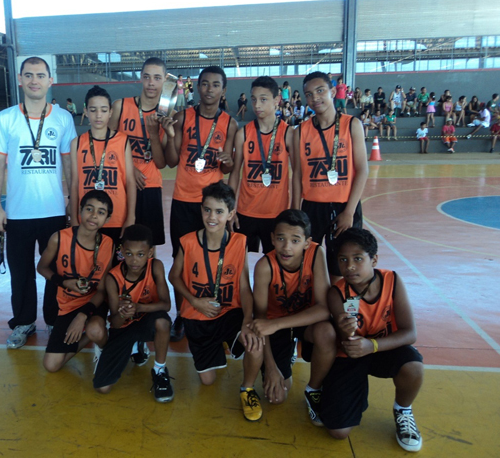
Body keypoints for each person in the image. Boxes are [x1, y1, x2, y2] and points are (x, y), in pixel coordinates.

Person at [0, 56, 75, 348]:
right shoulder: (5, 118)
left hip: (53, 212)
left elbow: (70, 166)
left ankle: (53, 320)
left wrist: (73, 203)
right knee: (21, 271)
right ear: (20, 79)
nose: (34, 80)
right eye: (29, 75)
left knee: (56, 271)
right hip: (18, 213)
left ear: (51, 80)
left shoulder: (63, 119)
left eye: (40, 75)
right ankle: (24, 322)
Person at [320, 228, 424, 453]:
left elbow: (409, 333)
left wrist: (373, 345)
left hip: (381, 348)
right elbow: (346, 341)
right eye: (343, 260)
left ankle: (403, 410)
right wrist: (346, 330)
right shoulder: (336, 293)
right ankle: (353, 395)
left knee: (413, 365)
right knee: (338, 432)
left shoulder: (392, 280)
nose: (349, 266)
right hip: (351, 353)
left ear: (374, 259)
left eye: (358, 259)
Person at [168, 181, 264, 421]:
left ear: (230, 214)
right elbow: (174, 275)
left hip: (230, 312)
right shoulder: (187, 241)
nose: (212, 217)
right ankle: (219, 344)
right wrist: (193, 301)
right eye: (207, 210)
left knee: (255, 339)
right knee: (208, 381)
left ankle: (247, 388)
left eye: (219, 212)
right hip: (197, 315)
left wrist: (248, 320)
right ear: (201, 210)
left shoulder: (239, 242)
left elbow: (243, 285)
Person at [165, 65, 237, 340]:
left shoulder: (229, 123)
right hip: (184, 201)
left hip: (214, 206)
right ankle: (182, 314)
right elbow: (172, 160)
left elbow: (228, 166)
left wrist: (228, 162)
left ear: (223, 90)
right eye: (204, 84)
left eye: (215, 84)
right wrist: (171, 137)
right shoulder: (184, 117)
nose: (209, 89)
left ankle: (216, 311)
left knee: (215, 258)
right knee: (181, 260)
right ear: (197, 87)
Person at [248, 210, 335, 426]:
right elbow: (260, 323)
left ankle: (313, 389)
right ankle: (286, 354)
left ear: (307, 243)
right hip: (274, 327)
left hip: (303, 321)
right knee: (277, 397)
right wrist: (271, 367)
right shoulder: (264, 266)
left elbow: (325, 309)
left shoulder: (316, 254)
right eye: (281, 239)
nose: (287, 247)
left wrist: (276, 323)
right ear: (272, 239)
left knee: (327, 332)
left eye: (295, 240)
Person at [291, 71, 368, 282]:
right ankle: (316, 307)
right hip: (312, 208)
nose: (315, 98)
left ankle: (341, 307)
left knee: (342, 264)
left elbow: (362, 170)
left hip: (344, 206)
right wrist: (296, 211)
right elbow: (297, 174)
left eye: (320, 91)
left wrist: (349, 211)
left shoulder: (352, 125)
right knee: (308, 263)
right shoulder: (300, 132)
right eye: (309, 94)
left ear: (333, 92)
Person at [93, 224, 174, 402]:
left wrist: (138, 307)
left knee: (163, 322)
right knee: (102, 388)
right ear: (121, 251)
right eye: (129, 254)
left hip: (147, 320)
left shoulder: (156, 267)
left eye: (140, 254)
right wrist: (123, 313)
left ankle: (160, 370)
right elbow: (115, 323)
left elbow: (166, 305)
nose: (134, 260)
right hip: (123, 328)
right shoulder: (113, 278)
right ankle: (134, 345)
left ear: (150, 253)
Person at [37, 190, 114, 372]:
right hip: (68, 304)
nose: (94, 216)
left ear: (107, 219)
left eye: (101, 212)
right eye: (89, 209)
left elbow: (102, 291)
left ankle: (103, 344)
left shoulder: (107, 244)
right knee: (51, 365)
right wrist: (63, 282)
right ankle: (90, 335)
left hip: (93, 303)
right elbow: (41, 267)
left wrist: (82, 316)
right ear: (80, 210)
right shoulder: (59, 238)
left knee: (96, 329)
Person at [109, 57, 173, 247]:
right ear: (140, 78)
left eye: (156, 78)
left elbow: (161, 163)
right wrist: (130, 169)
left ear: (164, 80)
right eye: (146, 77)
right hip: (120, 184)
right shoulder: (120, 106)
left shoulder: (168, 115)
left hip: (150, 187)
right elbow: (108, 145)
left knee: (146, 247)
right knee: (120, 245)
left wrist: (154, 134)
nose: (151, 83)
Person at [228, 76, 293, 254]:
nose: (257, 105)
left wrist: (294, 209)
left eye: (263, 99)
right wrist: (231, 208)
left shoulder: (288, 133)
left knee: (273, 265)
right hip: (245, 212)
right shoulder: (243, 134)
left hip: (276, 214)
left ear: (277, 100)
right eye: (254, 99)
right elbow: (234, 174)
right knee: (241, 265)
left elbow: (298, 175)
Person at [70, 85, 136, 245]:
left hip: (117, 218)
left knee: (115, 268)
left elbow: (130, 181)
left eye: (104, 110)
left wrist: (131, 217)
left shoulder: (123, 141)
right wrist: (74, 219)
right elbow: (74, 184)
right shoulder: (77, 143)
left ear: (111, 113)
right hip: (86, 219)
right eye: (93, 110)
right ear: (85, 111)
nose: (98, 115)